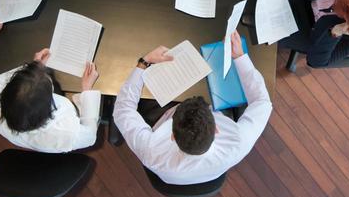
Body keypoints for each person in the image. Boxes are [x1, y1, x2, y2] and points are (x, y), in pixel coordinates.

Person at [113, 33, 272, 185]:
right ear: (216, 129)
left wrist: (144, 63)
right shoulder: (238, 142)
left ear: (172, 136)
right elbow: (262, 102)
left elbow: (122, 110)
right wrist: (240, 57)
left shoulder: (151, 151)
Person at [0, 52, 101, 152]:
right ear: (50, 106)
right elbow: (90, 136)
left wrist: (32, 69)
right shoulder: (67, 131)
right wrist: (87, 89)